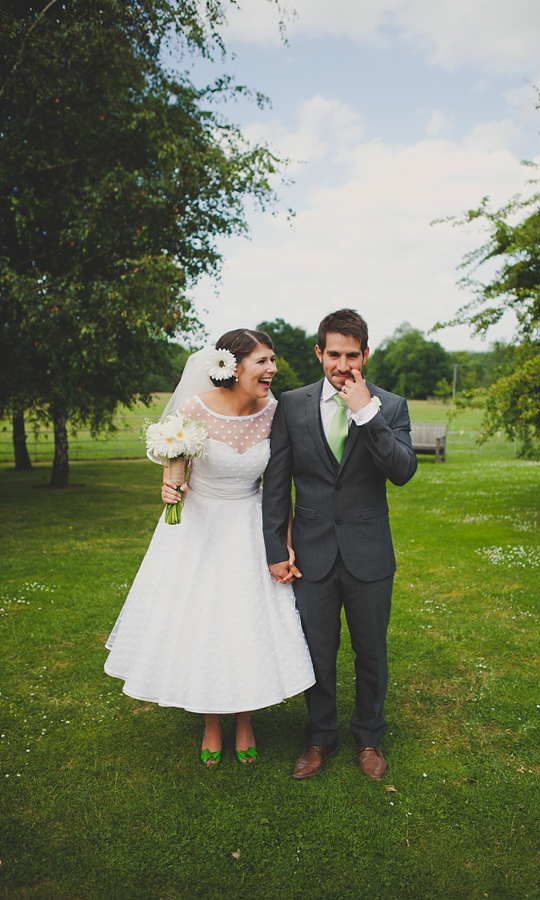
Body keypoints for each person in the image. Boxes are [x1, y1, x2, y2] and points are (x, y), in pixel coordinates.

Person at [104, 329, 315, 767]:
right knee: (202, 624)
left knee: (245, 623)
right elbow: (175, 455)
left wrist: (286, 544)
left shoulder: (276, 412)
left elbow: (278, 488)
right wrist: (169, 483)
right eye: (263, 362)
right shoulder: (194, 408)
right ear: (233, 367)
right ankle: (211, 723)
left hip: (249, 529)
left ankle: (245, 719)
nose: (272, 369)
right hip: (198, 530)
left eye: (272, 360)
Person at [262, 309, 417, 780]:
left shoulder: (389, 407)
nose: (343, 364)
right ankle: (320, 738)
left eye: (352, 354)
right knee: (317, 651)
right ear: (319, 353)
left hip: (370, 553)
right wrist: (275, 549)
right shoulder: (291, 404)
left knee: (371, 652)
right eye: (334, 354)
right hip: (312, 554)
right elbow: (277, 482)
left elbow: (402, 471)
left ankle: (368, 738)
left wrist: (365, 413)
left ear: (365, 355)